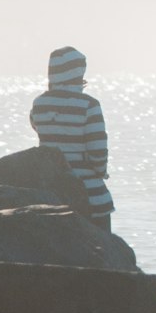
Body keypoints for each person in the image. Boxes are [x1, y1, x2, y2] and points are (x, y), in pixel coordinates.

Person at [29, 46, 115, 230]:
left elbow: (38, 130)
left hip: (52, 192)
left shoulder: (39, 104)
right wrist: (101, 171)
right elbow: (98, 150)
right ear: (79, 72)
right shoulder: (89, 105)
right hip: (90, 196)